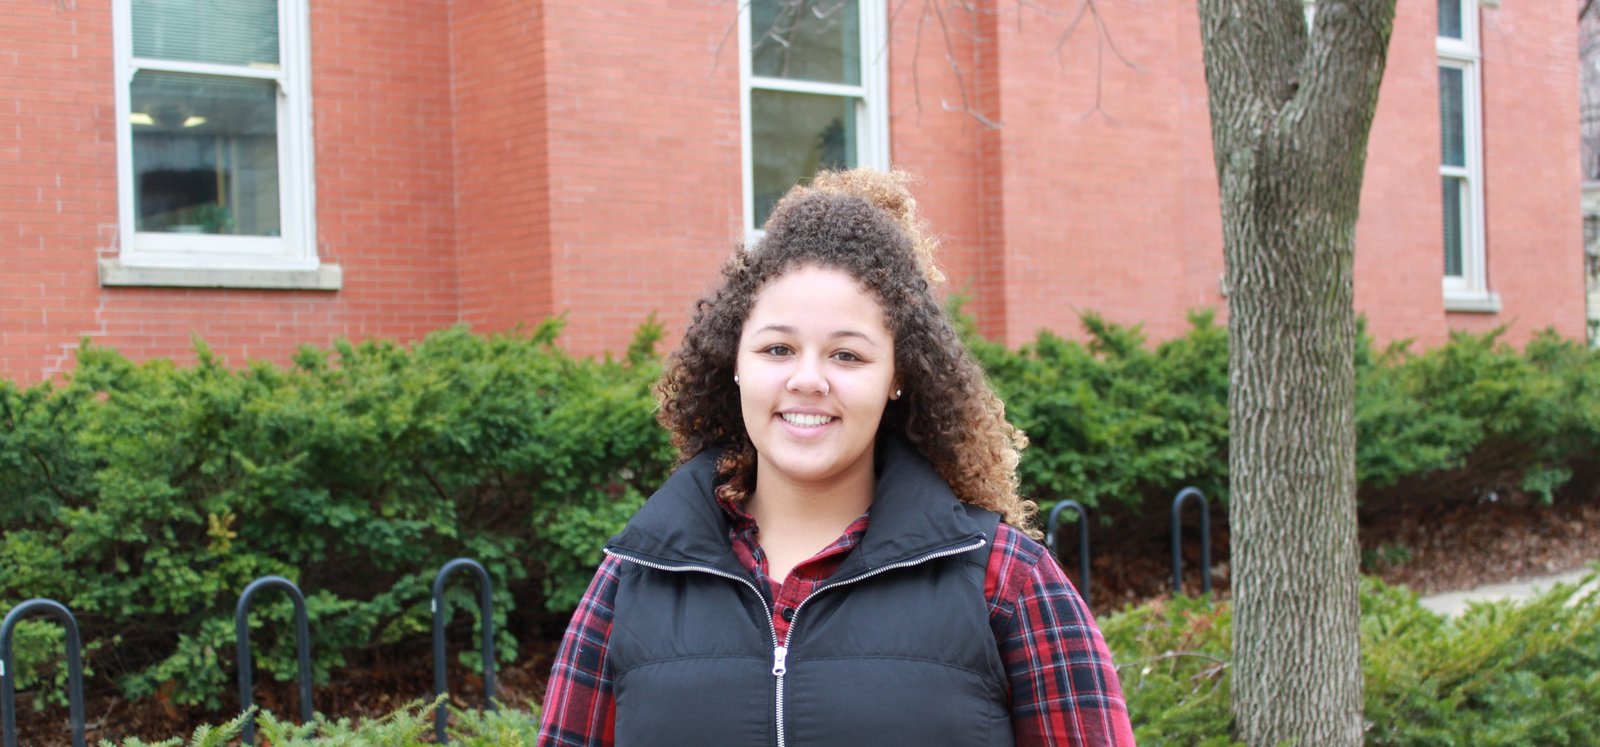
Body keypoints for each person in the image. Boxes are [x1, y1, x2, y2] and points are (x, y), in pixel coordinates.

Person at [537, 170, 1135, 746]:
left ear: (898, 376)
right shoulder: (633, 580)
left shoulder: (1005, 580)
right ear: (734, 362)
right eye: (777, 348)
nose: (808, 379)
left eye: (847, 356)